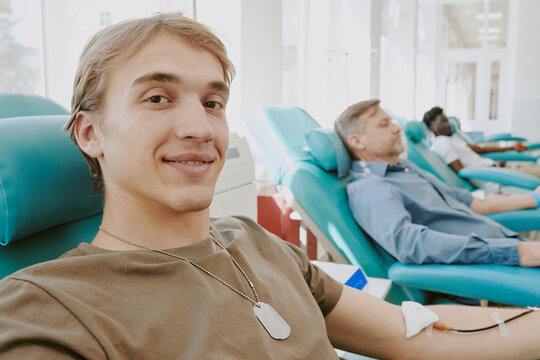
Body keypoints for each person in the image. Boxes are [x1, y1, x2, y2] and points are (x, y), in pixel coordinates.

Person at [1, 14, 540, 360]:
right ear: (90, 132)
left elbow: (408, 330)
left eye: (212, 102)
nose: (201, 127)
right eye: (158, 98)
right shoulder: (46, 310)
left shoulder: (254, 242)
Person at [335, 99, 540, 266]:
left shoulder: (406, 167)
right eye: (384, 124)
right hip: (491, 263)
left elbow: (469, 201)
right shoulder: (370, 187)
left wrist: (533, 199)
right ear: (357, 141)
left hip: (508, 245)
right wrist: (517, 252)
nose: (397, 128)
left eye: (391, 121)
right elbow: (409, 244)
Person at [423, 106, 540, 179]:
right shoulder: (442, 144)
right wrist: (495, 169)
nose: (448, 124)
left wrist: (512, 147)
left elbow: (481, 149)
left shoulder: (451, 139)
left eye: (447, 120)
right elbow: (463, 172)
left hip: (499, 169)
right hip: (498, 177)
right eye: (443, 122)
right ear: (433, 128)